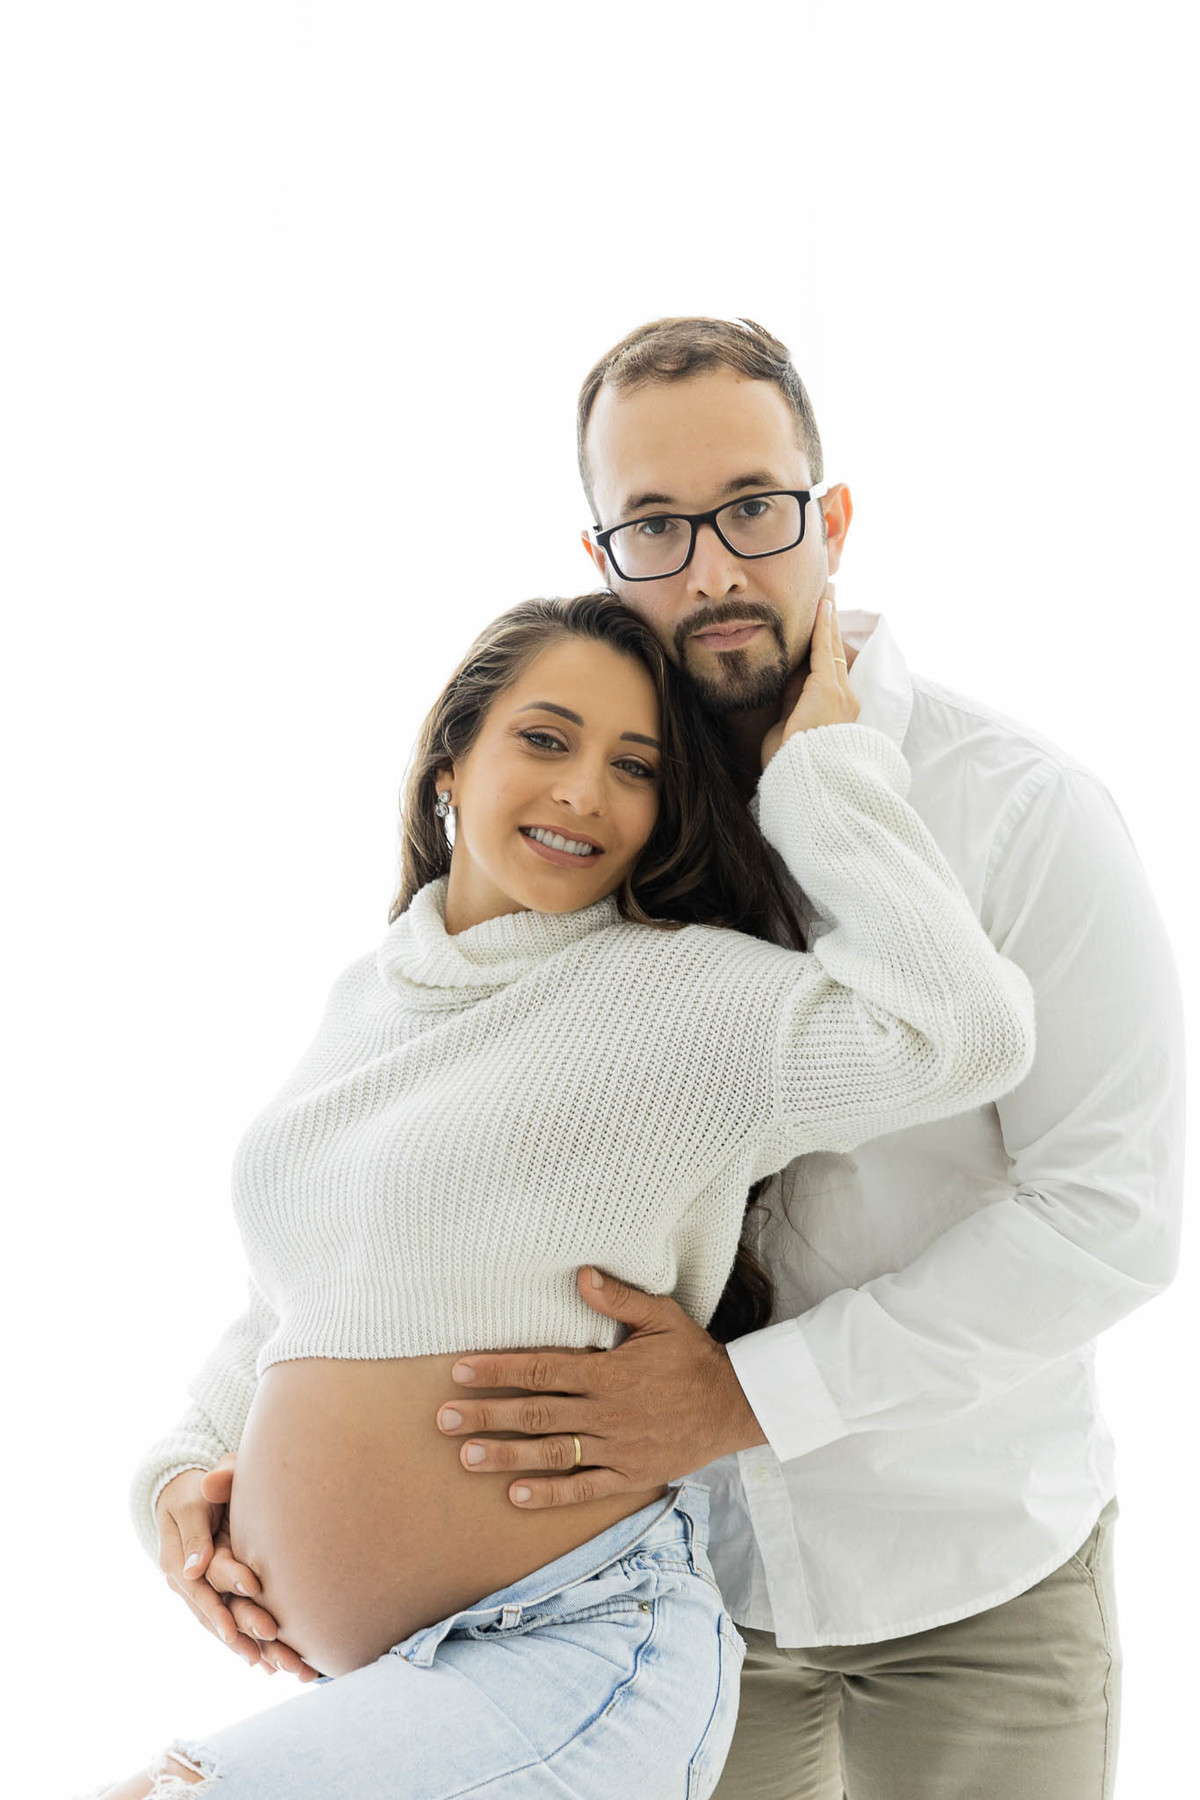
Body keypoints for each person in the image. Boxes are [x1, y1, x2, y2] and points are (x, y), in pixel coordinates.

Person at [80, 589, 1037, 1797]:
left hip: (580, 1652)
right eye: (546, 739)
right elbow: (300, 1302)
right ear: (450, 762)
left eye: (634, 768)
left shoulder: (682, 998)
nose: (585, 790)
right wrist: (178, 1472)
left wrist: (822, 774)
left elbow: (963, 1034)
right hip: (393, 1680)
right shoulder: (366, 999)